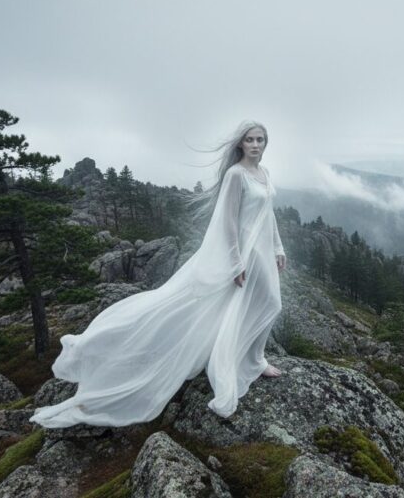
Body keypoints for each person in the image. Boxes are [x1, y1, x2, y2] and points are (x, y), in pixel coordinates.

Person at [30, 121, 286, 427]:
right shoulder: (236, 175)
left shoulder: (265, 173)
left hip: (262, 250)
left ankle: (254, 360)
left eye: (260, 140)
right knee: (247, 305)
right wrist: (234, 262)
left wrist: (278, 248)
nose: (255, 144)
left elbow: (267, 214)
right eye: (249, 140)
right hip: (243, 252)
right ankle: (247, 361)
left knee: (268, 304)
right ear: (241, 145)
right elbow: (229, 221)